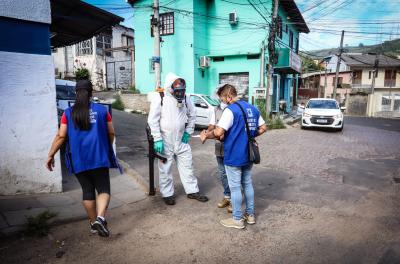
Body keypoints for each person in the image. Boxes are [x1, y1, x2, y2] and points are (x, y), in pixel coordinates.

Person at [46, 80, 119, 237]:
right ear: (91, 93)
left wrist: (51, 154)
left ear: (76, 93)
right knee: (104, 189)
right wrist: (107, 147)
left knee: (87, 191)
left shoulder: (67, 113)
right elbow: (111, 133)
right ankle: (100, 218)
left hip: (78, 159)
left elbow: (60, 136)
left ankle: (93, 224)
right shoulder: (102, 110)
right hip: (99, 156)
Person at [200, 84, 267, 229]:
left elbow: (218, 133)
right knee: (247, 184)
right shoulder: (252, 108)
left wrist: (208, 134)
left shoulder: (230, 110)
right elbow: (263, 127)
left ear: (229, 96)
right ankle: (250, 215)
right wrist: (250, 136)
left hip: (234, 154)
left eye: (223, 99)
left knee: (235, 187)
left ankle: (237, 219)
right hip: (248, 153)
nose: (224, 102)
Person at [147, 72, 208, 205]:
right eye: (177, 89)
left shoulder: (185, 98)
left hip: (181, 139)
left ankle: (192, 191)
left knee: (188, 165)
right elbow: (152, 120)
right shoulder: (160, 97)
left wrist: (188, 131)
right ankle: (167, 194)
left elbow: (193, 114)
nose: (180, 93)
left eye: (182, 90)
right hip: (165, 140)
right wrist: (157, 138)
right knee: (165, 168)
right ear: (170, 87)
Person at [207, 87, 232, 213]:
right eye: (219, 96)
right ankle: (227, 196)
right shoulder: (215, 109)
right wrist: (207, 131)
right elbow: (212, 124)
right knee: (222, 173)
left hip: (231, 147)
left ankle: (235, 199)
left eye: (222, 95)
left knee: (233, 174)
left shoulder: (233, 109)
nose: (220, 98)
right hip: (219, 146)